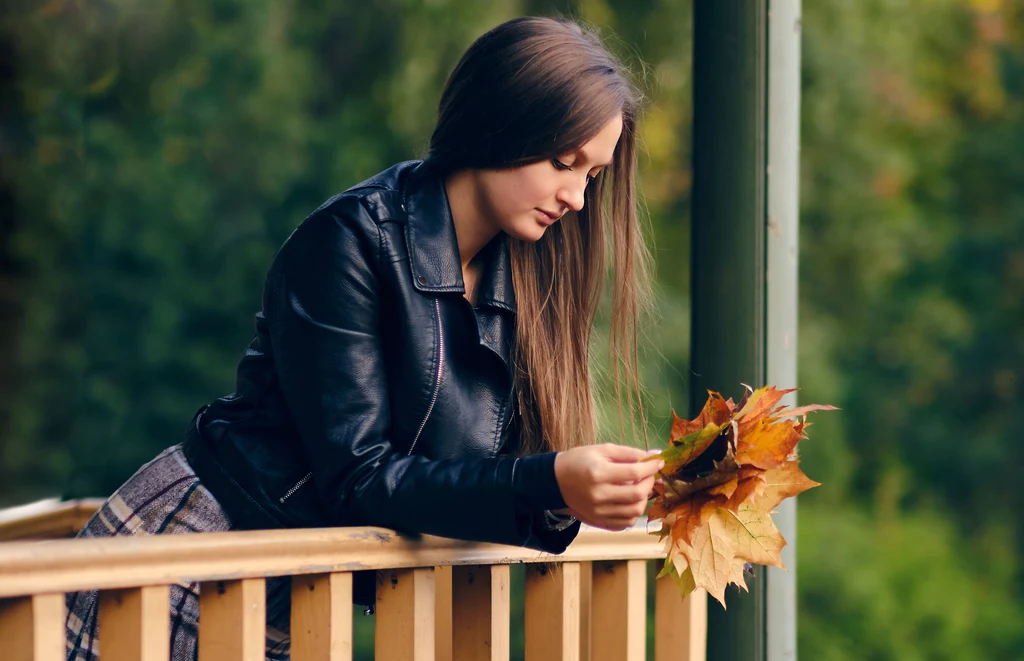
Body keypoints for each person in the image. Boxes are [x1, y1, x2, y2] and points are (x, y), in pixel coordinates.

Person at [65, 15, 663, 661]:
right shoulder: (352, 240)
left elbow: (474, 477)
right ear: (502, 120)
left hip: (304, 581)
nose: (577, 197)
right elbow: (358, 477)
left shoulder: (522, 277)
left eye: (592, 175)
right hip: (201, 551)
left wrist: (597, 487)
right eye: (563, 162)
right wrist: (548, 479)